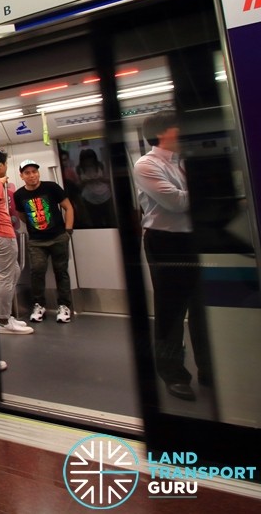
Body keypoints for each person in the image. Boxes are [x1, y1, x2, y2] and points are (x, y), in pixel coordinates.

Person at [133, 111, 212, 402]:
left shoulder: (184, 162)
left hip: (194, 239)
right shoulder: (146, 164)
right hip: (165, 241)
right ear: (165, 132)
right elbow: (177, 202)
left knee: (204, 309)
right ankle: (173, 374)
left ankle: (209, 367)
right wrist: (205, 193)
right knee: (171, 311)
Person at [13, 160, 75, 324]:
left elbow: (68, 207)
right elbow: (21, 215)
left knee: (61, 271)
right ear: (21, 176)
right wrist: (35, 226)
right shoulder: (19, 195)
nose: (32, 175)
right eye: (27, 173)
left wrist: (68, 231)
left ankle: (64, 306)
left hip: (58, 237)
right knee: (37, 272)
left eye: (34, 171)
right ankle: (39, 304)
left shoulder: (51, 187)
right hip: (36, 241)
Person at [0, 150, 33, 337]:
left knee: (15, 271)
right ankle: (3, 320)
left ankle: (6, 316)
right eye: (4, 164)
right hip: (2, 233)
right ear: (0, 166)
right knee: (6, 275)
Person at [76, 148, 115, 227]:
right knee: (95, 220)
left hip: (105, 195)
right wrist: (85, 182)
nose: (88, 162)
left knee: (109, 218)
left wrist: (99, 179)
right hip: (89, 197)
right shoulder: (79, 168)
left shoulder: (101, 165)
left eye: (90, 160)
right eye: (86, 160)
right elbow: (78, 186)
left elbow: (109, 180)